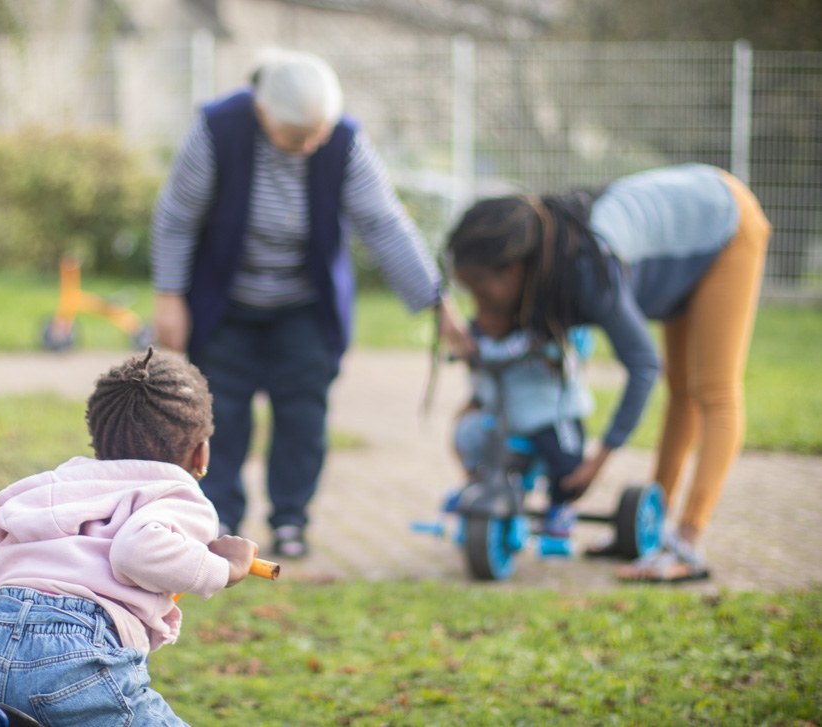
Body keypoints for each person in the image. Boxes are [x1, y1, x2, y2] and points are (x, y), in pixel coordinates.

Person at [150, 49, 464, 558]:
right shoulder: (218, 129)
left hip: (303, 307)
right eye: (298, 137)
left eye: (318, 133)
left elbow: (384, 224)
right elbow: (177, 216)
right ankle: (219, 518)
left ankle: (291, 519)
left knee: (303, 416)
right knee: (220, 414)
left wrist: (436, 302)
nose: (311, 145)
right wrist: (169, 297)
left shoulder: (343, 142)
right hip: (225, 304)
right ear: (263, 112)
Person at [446, 163, 770, 582]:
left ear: (512, 271)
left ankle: (686, 543)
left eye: (480, 290)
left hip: (724, 222)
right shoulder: (548, 268)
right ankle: (652, 528)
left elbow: (642, 365)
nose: (478, 303)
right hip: (681, 243)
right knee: (682, 389)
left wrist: (598, 459)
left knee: (713, 390)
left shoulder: (586, 269)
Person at [0, 348, 258, 726]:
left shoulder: (55, 487)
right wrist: (229, 568)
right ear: (200, 454)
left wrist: (23, 609)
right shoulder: (176, 494)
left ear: (98, 443)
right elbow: (135, 550)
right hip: (75, 658)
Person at [452, 307, 594, 538]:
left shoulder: (548, 316)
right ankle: (478, 484)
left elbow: (575, 350)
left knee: (566, 461)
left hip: (548, 410)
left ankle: (560, 505)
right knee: (469, 434)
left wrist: (556, 352)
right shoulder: (485, 325)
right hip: (502, 413)